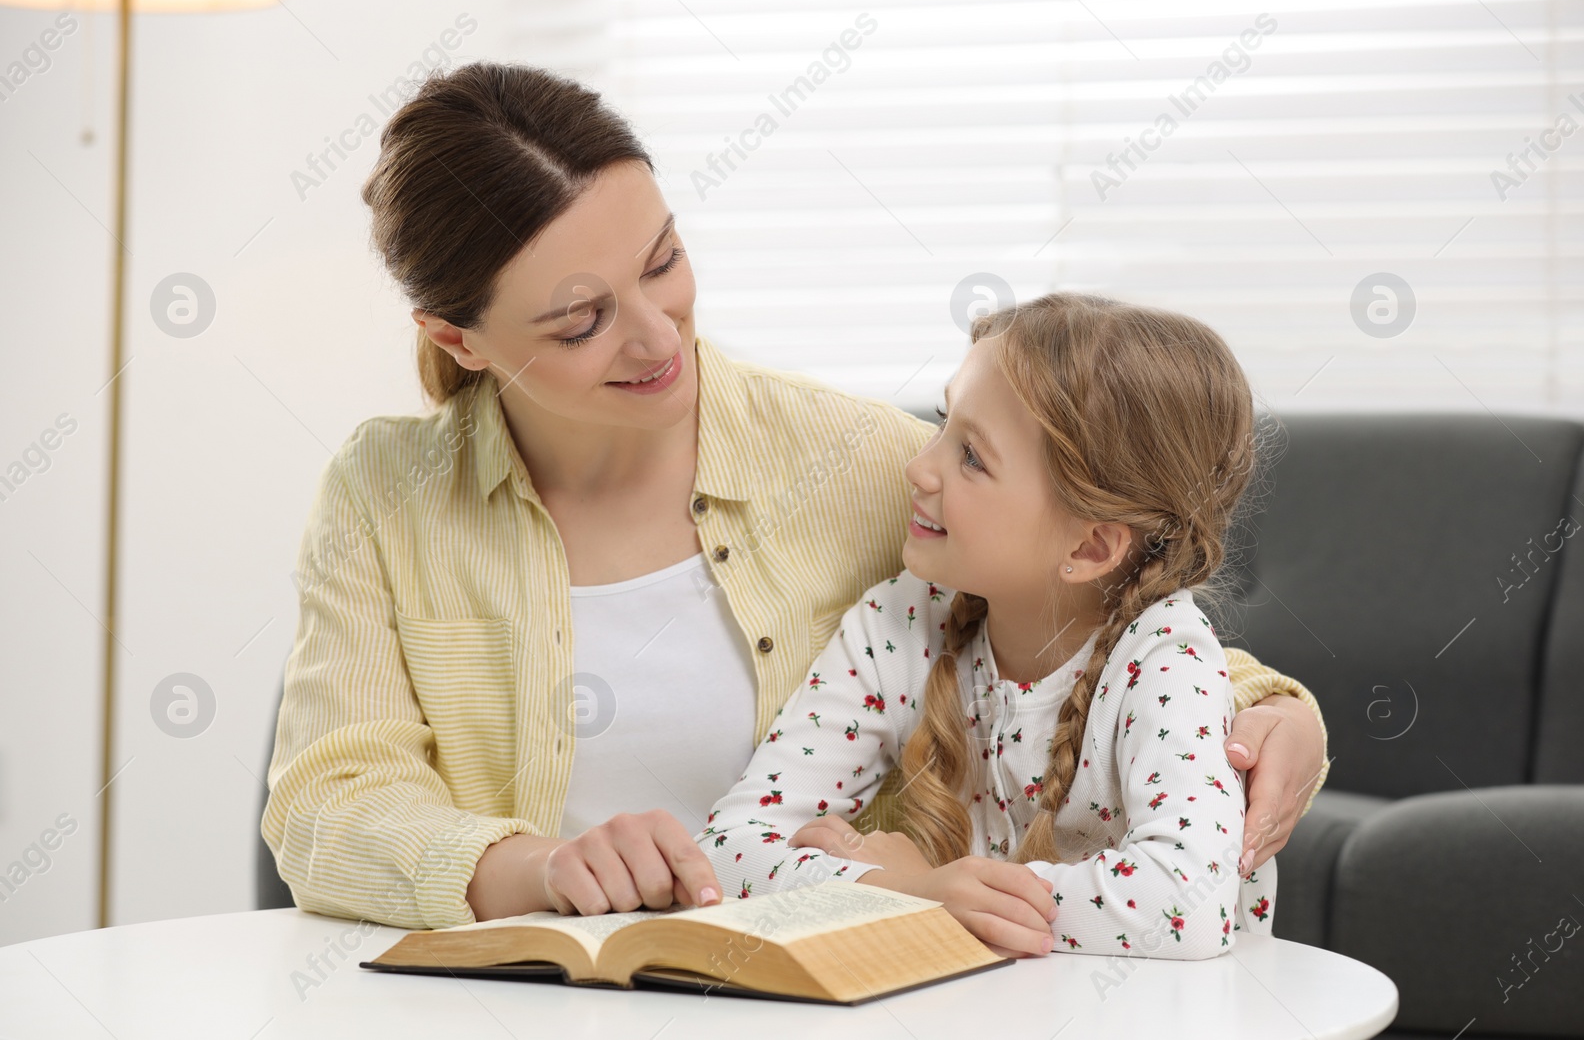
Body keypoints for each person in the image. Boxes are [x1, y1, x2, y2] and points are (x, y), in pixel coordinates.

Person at [260, 62, 1330, 932]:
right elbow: (327, 800)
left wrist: (1277, 706)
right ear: (459, 338)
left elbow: (1084, 603)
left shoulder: (855, 457)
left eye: (664, 260)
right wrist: (537, 866)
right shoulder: (385, 495)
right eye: (580, 320)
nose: (656, 332)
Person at [696, 293, 1281, 960]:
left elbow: (1187, 907)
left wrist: (923, 890)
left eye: (972, 456)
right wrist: (900, 889)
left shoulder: (1163, 658)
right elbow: (724, 853)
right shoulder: (899, 623)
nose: (920, 468)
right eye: (945, 423)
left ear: (1090, 547)